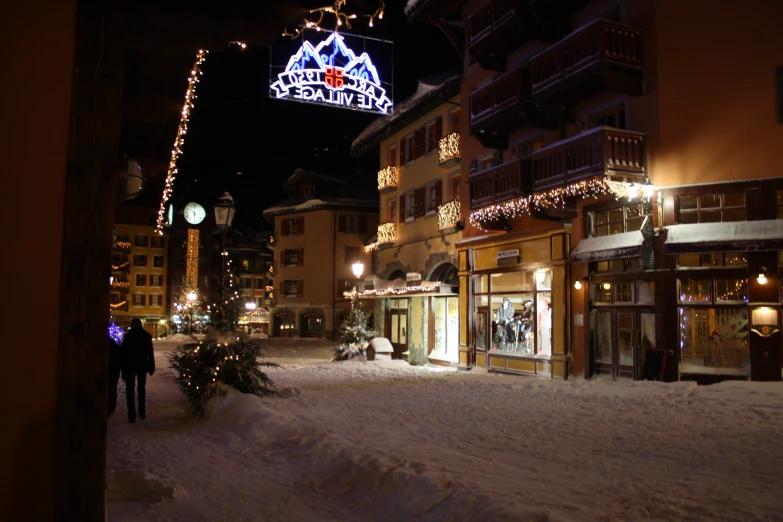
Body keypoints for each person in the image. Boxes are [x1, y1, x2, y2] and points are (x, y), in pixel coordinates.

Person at [120, 318, 155, 422]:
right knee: (141, 389)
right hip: (142, 365)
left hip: (130, 366)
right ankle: (141, 412)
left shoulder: (128, 336)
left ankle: (132, 415)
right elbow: (150, 353)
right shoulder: (146, 336)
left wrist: (123, 369)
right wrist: (151, 367)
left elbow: (123, 354)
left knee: (130, 390)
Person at [107, 333, 122, 418]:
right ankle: (111, 407)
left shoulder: (103, 347)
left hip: (107, 372)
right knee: (112, 391)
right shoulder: (117, 348)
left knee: (107, 390)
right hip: (114, 373)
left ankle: (108, 408)